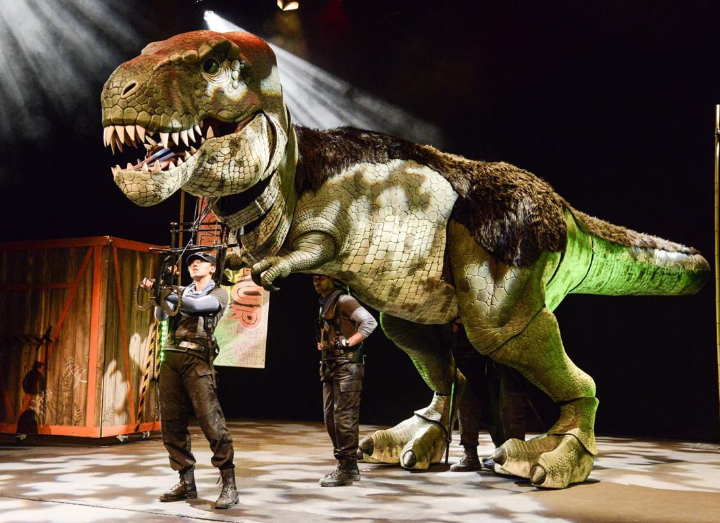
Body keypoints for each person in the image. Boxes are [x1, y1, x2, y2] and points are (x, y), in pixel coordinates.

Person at [140, 252, 237, 509]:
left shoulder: (218, 295)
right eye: (191, 261)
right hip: (171, 358)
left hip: (197, 360)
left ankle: (229, 484)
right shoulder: (180, 290)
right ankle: (186, 481)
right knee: (171, 423)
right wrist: (161, 292)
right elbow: (161, 316)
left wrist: (165, 291)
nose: (194, 264)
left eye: (201, 261)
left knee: (211, 422)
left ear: (213, 269)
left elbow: (195, 307)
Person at [313, 274, 377, 487]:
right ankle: (345, 463)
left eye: (322, 277)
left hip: (347, 366)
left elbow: (369, 322)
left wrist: (348, 342)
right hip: (331, 365)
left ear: (333, 279)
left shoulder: (344, 300)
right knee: (330, 418)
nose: (317, 281)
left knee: (344, 418)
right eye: (314, 278)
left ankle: (348, 467)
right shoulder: (326, 303)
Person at [449, 318, 527, 472]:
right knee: (468, 396)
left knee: (505, 397)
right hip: (471, 336)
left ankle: (511, 454)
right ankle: (470, 454)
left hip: (503, 335)